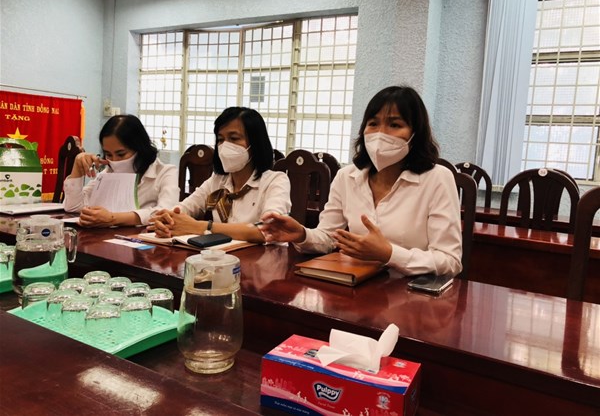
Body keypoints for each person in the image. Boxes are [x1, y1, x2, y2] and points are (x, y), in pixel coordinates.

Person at [259, 86, 462, 277]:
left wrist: (389, 254)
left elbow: (450, 261)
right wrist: (302, 234)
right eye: (373, 124)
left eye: (395, 125)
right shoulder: (346, 177)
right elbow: (329, 238)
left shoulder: (437, 178)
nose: (381, 133)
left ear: (416, 134)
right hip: (357, 285)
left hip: (410, 292)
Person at [150, 107, 291, 243]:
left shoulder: (276, 181)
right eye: (220, 139)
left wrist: (203, 227)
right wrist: (168, 220)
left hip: (265, 257)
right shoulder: (217, 181)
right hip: (221, 256)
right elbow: (186, 207)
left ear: (255, 144)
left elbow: (268, 229)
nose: (224, 146)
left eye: (234, 138)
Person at [63, 114, 179, 227]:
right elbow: (73, 207)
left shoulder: (165, 172)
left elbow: (166, 213)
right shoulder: (108, 172)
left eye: (121, 154)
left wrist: (113, 218)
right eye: (108, 154)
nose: (115, 161)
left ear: (140, 148)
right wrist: (77, 168)